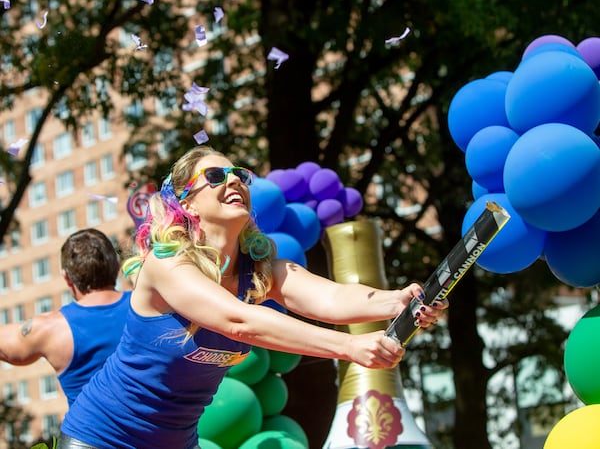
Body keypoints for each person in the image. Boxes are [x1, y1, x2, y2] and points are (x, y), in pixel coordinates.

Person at [58, 146, 448, 449]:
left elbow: (330, 298)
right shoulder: (166, 264)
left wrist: (397, 300)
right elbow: (239, 321)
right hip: (100, 438)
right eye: (215, 175)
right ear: (187, 201)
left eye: (239, 175)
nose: (234, 181)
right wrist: (349, 346)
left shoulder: (259, 271)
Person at [0, 228, 130, 408]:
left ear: (67, 278)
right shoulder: (150, 307)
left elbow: (10, 347)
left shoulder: (52, 328)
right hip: (164, 433)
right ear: (117, 268)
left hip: (89, 435)